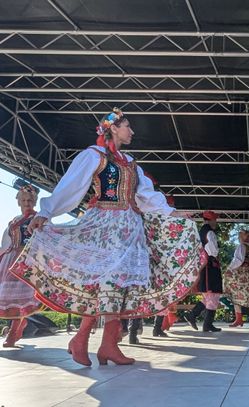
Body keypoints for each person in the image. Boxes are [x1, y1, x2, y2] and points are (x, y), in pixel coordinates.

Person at [10, 108, 201, 366]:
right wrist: (47, 211)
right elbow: (72, 184)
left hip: (130, 228)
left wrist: (173, 213)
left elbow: (147, 196)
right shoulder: (95, 155)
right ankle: (93, 342)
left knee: (117, 285)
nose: (131, 131)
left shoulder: (131, 162)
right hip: (104, 226)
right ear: (113, 127)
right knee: (107, 281)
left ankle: (101, 344)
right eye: (128, 126)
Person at [0, 184, 41, 347]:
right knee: (10, 296)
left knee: (23, 296)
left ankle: (14, 330)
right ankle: (17, 326)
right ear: (18, 202)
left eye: (30, 200)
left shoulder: (38, 218)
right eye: (23, 200)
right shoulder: (14, 221)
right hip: (12, 258)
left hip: (29, 259)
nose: (26, 202)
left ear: (35, 201)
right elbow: (5, 242)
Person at [185, 211, 223, 333]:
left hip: (205, 265)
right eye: (215, 220)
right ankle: (207, 324)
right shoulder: (209, 232)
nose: (216, 222)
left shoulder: (201, 231)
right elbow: (213, 251)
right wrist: (217, 250)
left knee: (207, 296)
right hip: (210, 266)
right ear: (210, 220)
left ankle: (193, 315)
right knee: (212, 294)